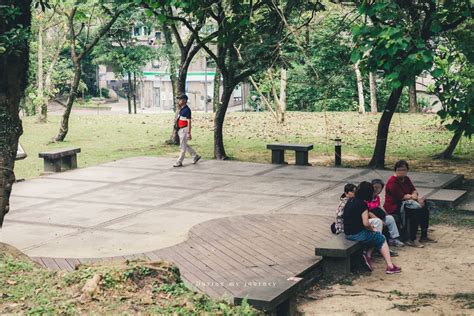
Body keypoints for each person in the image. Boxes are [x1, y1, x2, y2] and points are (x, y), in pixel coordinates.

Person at [343, 181, 401, 274]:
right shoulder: (362, 204)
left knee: (375, 233)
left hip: (348, 232)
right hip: (357, 234)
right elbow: (366, 223)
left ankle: (368, 255)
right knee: (381, 238)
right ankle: (390, 266)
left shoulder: (351, 200)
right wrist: (372, 229)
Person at [384, 160, 435, 248]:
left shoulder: (406, 179)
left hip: (408, 201)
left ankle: (424, 234)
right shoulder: (392, 181)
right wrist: (415, 198)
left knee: (424, 207)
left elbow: (413, 190)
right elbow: (401, 196)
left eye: (404, 169)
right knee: (414, 211)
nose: (401, 172)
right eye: (399, 169)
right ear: (395, 170)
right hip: (395, 205)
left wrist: (416, 196)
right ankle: (412, 239)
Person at [368, 179, 405, 248]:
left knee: (390, 218)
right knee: (380, 222)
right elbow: (367, 212)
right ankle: (378, 244)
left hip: (377, 216)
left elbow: (379, 208)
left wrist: (386, 215)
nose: (376, 189)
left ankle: (394, 238)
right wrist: (379, 219)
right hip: (369, 218)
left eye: (379, 188)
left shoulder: (377, 197)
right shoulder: (367, 197)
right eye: (375, 187)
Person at [173, 94, 201, 167]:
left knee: (182, 147)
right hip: (180, 130)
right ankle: (195, 156)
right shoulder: (181, 109)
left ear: (185, 100)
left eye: (180, 99)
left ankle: (179, 161)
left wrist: (189, 133)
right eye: (178, 99)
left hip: (184, 130)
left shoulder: (187, 110)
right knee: (184, 145)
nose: (178, 101)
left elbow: (189, 122)